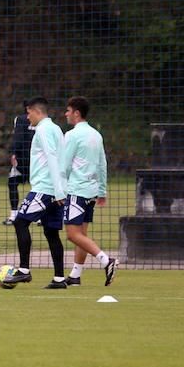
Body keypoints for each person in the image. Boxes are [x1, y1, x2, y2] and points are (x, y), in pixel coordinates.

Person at [3, 96, 67, 289]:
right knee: (51, 232)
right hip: (55, 189)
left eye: (28, 112)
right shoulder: (56, 128)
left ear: (37, 111)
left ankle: (24, 271)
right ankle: (59, 279)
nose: (27, 116)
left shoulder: (44, 130)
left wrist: (57, 191)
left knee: (20, 221)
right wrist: (62, 188)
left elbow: (52, 158)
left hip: (45, 189)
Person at [60, 96, 117, 287]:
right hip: (91, 192)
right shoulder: (96, 134)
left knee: (72, 234)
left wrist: (59, 190)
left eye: (68, 110)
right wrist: (101, 191)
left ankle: (106, 260)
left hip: (76, 191)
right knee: (81, 235)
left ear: (76, 113)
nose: (65, 114)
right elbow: (102, 165)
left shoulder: (72, 135)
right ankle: (75, 276)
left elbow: (64, 166)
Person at [4, 105, 36, 225]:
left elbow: (18, 138)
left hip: (22, 159)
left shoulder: (20, 119)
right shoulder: (45, 121)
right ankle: (39, 216)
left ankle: (14, 215)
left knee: (12, 183)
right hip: (37, 161)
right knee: (38, 186)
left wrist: (13, 153)